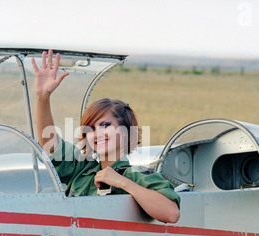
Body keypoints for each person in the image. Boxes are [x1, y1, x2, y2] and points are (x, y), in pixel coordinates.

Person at [32, 50, 180, 223]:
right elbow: (50, 144)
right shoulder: (81, 170)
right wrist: (43, 98)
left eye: (105, 125)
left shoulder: (137, 175)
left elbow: (171, 213)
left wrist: (121, 182)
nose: (97, 134)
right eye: (91, 128)